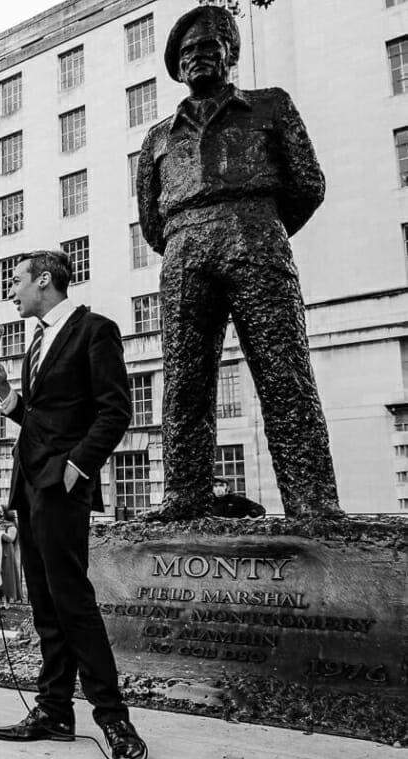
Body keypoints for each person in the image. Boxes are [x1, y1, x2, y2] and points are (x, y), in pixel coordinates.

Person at [137, 6, 338, 520]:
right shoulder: (158, 138)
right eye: (187, 53)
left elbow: (308, 185)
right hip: (183, 250)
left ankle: (312, 501)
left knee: (283, 372)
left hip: (256, 236)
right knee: (184, 380)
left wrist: (259, 227)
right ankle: (183, 496)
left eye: (207, 47)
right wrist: (191, 236)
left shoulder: (270, 106)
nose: (198, 57)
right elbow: (151, 221)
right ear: (178, 69)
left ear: (230, 53)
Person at [0, 250, 146, 759]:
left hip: (61, 485)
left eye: (17, 282)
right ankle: (53, 710)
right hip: (28, 486)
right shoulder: (34, 343)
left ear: (44, 282)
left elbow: (116, 409)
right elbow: (40, 418)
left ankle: (114, 718)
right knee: (45, 605)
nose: (12, 292)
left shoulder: (95, 330)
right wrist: (7, 393)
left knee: (72, 601)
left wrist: (78, 466)